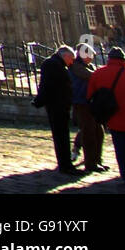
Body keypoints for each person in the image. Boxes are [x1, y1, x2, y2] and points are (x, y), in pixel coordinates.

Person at [87, 46, 125, 187]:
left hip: (115, 119)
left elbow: (91, 94)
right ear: (124, 60)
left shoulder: (98, 73)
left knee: (122, 150)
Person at [33, 45, 85, 175]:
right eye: (71, 58)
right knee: (60, 136)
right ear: (65, 56)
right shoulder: (52, 64)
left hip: (61, 105)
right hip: (57, 106)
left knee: (63, 135)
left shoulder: (58, 64)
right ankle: (65, 165)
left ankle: (66, 163)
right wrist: (39, 101)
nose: (72, 62)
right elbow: (46, 85)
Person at [69, 43, 107, 172]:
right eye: (90, 54)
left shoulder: (88, 66)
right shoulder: (76, 66)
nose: (92, 57)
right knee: (88, 133)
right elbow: (91, 76)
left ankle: (97, 159)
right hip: (82, 103)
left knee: (99, 132)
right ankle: (90, 163)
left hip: (91, 102)